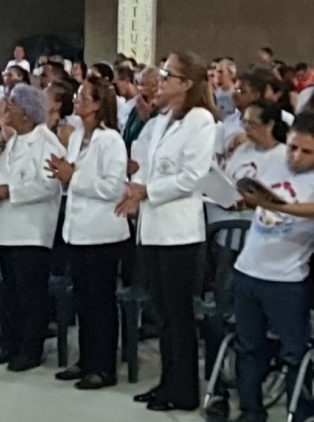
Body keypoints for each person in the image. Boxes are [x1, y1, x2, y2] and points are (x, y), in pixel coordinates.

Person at [116, 51, 220, 412]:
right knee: (161, 312)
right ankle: (166, 382)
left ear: (187, 83)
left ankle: (185, 389)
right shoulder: (163, 119)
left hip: (180, 231)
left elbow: (193, 176)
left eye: (167, 74)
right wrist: (135, 191)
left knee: (178, 315)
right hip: (153, 226)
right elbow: (145, 163)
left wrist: (149, 191)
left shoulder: (201, 120)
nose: (160, 79)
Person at [48, 76, 130, 389]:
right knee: (83, 299)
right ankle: (85, 360)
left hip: (103, 232)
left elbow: (113, 188)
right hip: (78, 229)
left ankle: (104, 367)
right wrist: (61, 173)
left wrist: (74, 176)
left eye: (84, 97)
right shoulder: (77, 135)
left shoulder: (111, 141)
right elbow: (71, 174)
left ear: (97, 104)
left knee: (101, 301)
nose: (78, 102)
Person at [232, 113, 314, 422]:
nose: (295, 156)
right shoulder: (275, 161)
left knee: (294, 352)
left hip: (287, 279)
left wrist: (274, 206)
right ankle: (251, 410)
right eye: (293, 147)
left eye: (307, 152)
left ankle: (300, 409)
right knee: (247, 347)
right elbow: (255, 195)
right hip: (249, 269)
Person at [0, 84, 64, 371]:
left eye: (13, 105)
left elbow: (49, 184)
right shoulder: (16, 140)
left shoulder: (47, 143)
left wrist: (13, 191)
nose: (8, 109)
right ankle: (10, 343)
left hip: (31, 229)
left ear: (28, 115)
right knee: (11, 292)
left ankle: (31, 349)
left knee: (30, 292)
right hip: (7, 226)